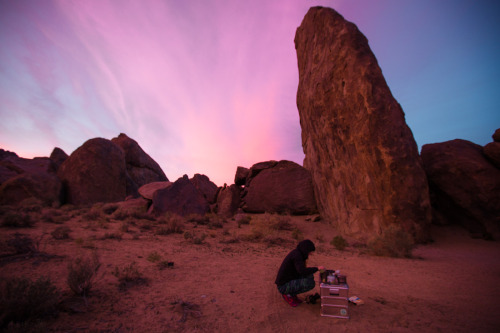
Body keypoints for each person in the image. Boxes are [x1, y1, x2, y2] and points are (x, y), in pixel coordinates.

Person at [275, 239, 324, 307]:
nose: (311, 253)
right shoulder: (297, 256)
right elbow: (302, 271)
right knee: (310, 284)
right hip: (283, 286)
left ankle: (292, 293)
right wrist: (317, 268)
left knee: (309, 276)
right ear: (306, 249)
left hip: (289, 280)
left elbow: (302, 271)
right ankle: (288, 294)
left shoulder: (298, 253)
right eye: (310, 251)